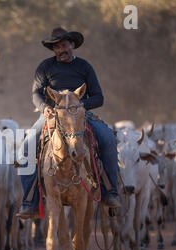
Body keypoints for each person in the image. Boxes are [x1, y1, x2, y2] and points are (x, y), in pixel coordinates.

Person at [17, 27, 121, 219]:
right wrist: (43, 108)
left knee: (107, 139)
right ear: (53, 49)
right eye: (56, 47)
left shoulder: (84, 67)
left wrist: (79, 106)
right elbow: (36, 94)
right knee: (26, 147)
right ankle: (29, 202)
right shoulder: (45, 67)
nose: (61, 50)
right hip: (52, 115)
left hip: (81, 115)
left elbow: (98, 97)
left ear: (72, 45)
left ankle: (110, 192)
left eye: (64, 45)